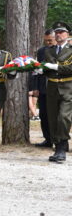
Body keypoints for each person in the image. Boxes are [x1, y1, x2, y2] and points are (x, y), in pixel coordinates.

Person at [43, 21, 72, 163]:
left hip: (68, 88)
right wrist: (40, 69)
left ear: (68, 34)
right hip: (52, 88)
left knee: (63, 117)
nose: (59, 34)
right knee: (53, 119)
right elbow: (46, 68)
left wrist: (54, 67)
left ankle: (62, 147)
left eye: (62, 32)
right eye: (57, 32)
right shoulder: (49, 50)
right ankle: (58, 146)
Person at [33, 29, 56, 147]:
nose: (48, 43)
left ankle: (58, 141)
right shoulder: (41, 51)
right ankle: (48, 139)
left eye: (50, 40)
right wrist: (35, 87)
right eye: (46, 40)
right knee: (43, 114)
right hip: (43, 87)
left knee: (56, 115)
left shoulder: (60, 51)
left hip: (56, 87)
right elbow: (36, 70)